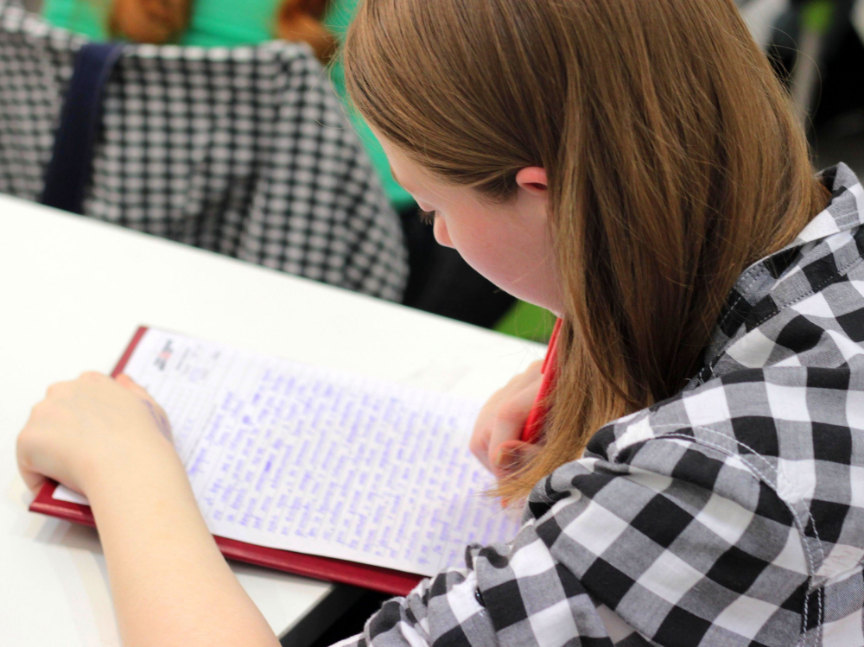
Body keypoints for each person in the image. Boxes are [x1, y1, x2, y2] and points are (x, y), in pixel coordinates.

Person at [16, 0, 864, 645]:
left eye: (431, 206)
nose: (441, 236)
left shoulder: (711, 488)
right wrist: (598, 353)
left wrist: (130, 472)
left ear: (546, 193)